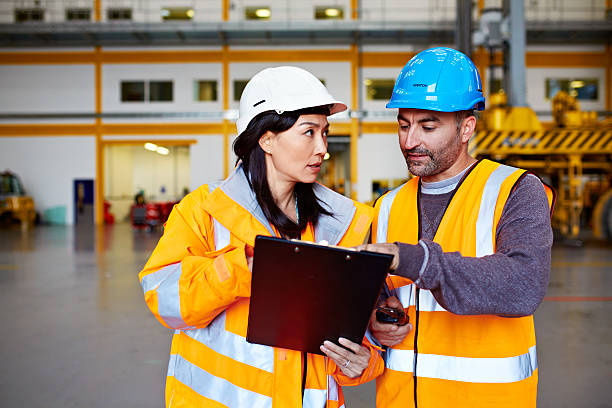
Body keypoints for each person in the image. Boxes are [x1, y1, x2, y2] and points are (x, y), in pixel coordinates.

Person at [139, 66, 383, 408]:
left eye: (325, 133)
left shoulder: (343, 226)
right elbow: (164, 302)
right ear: (266, 138)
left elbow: (362, 337)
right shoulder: (204, 212)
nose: (322, 148)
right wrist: (245, 269)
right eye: (308, 132)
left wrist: (360, 362)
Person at [361, 47, 555, 407]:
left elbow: (524, 284)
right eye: (403, 125)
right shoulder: (386, 207)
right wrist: (377, 318)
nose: (409, 141)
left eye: (428, 126)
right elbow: (381, 296)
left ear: (467, 127)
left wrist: (417, 261)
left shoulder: (515, 190)